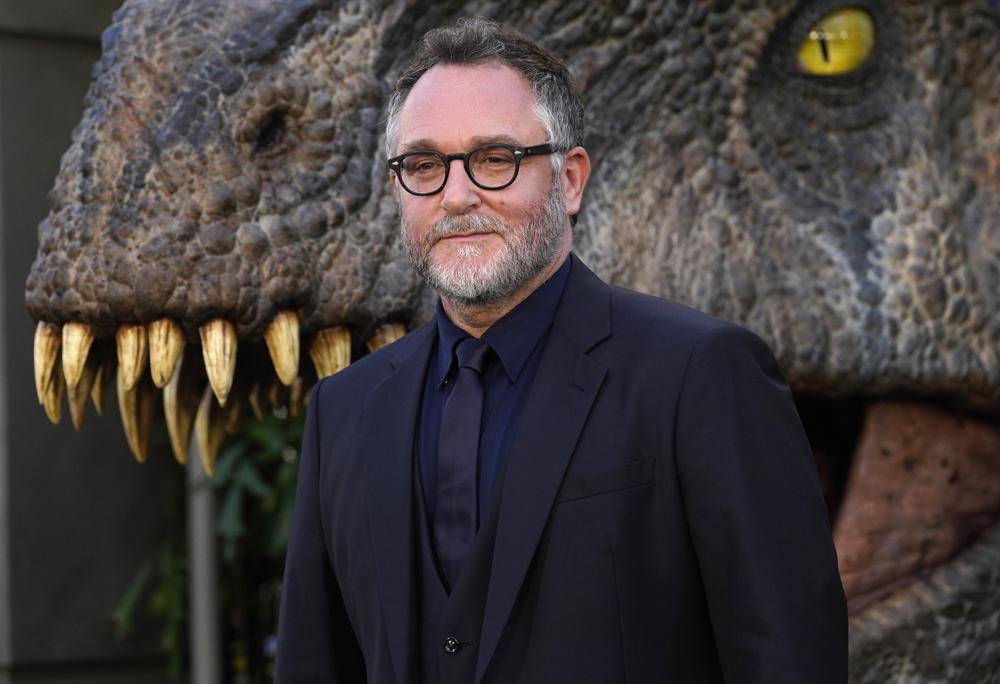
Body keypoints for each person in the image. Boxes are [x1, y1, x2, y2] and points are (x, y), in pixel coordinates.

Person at [276, 18, 847, 684]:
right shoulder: (344, 411)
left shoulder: (701, 375)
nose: (456, 196)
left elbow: (787, 659)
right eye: (425, 165)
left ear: (571, 180)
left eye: (495, 159)